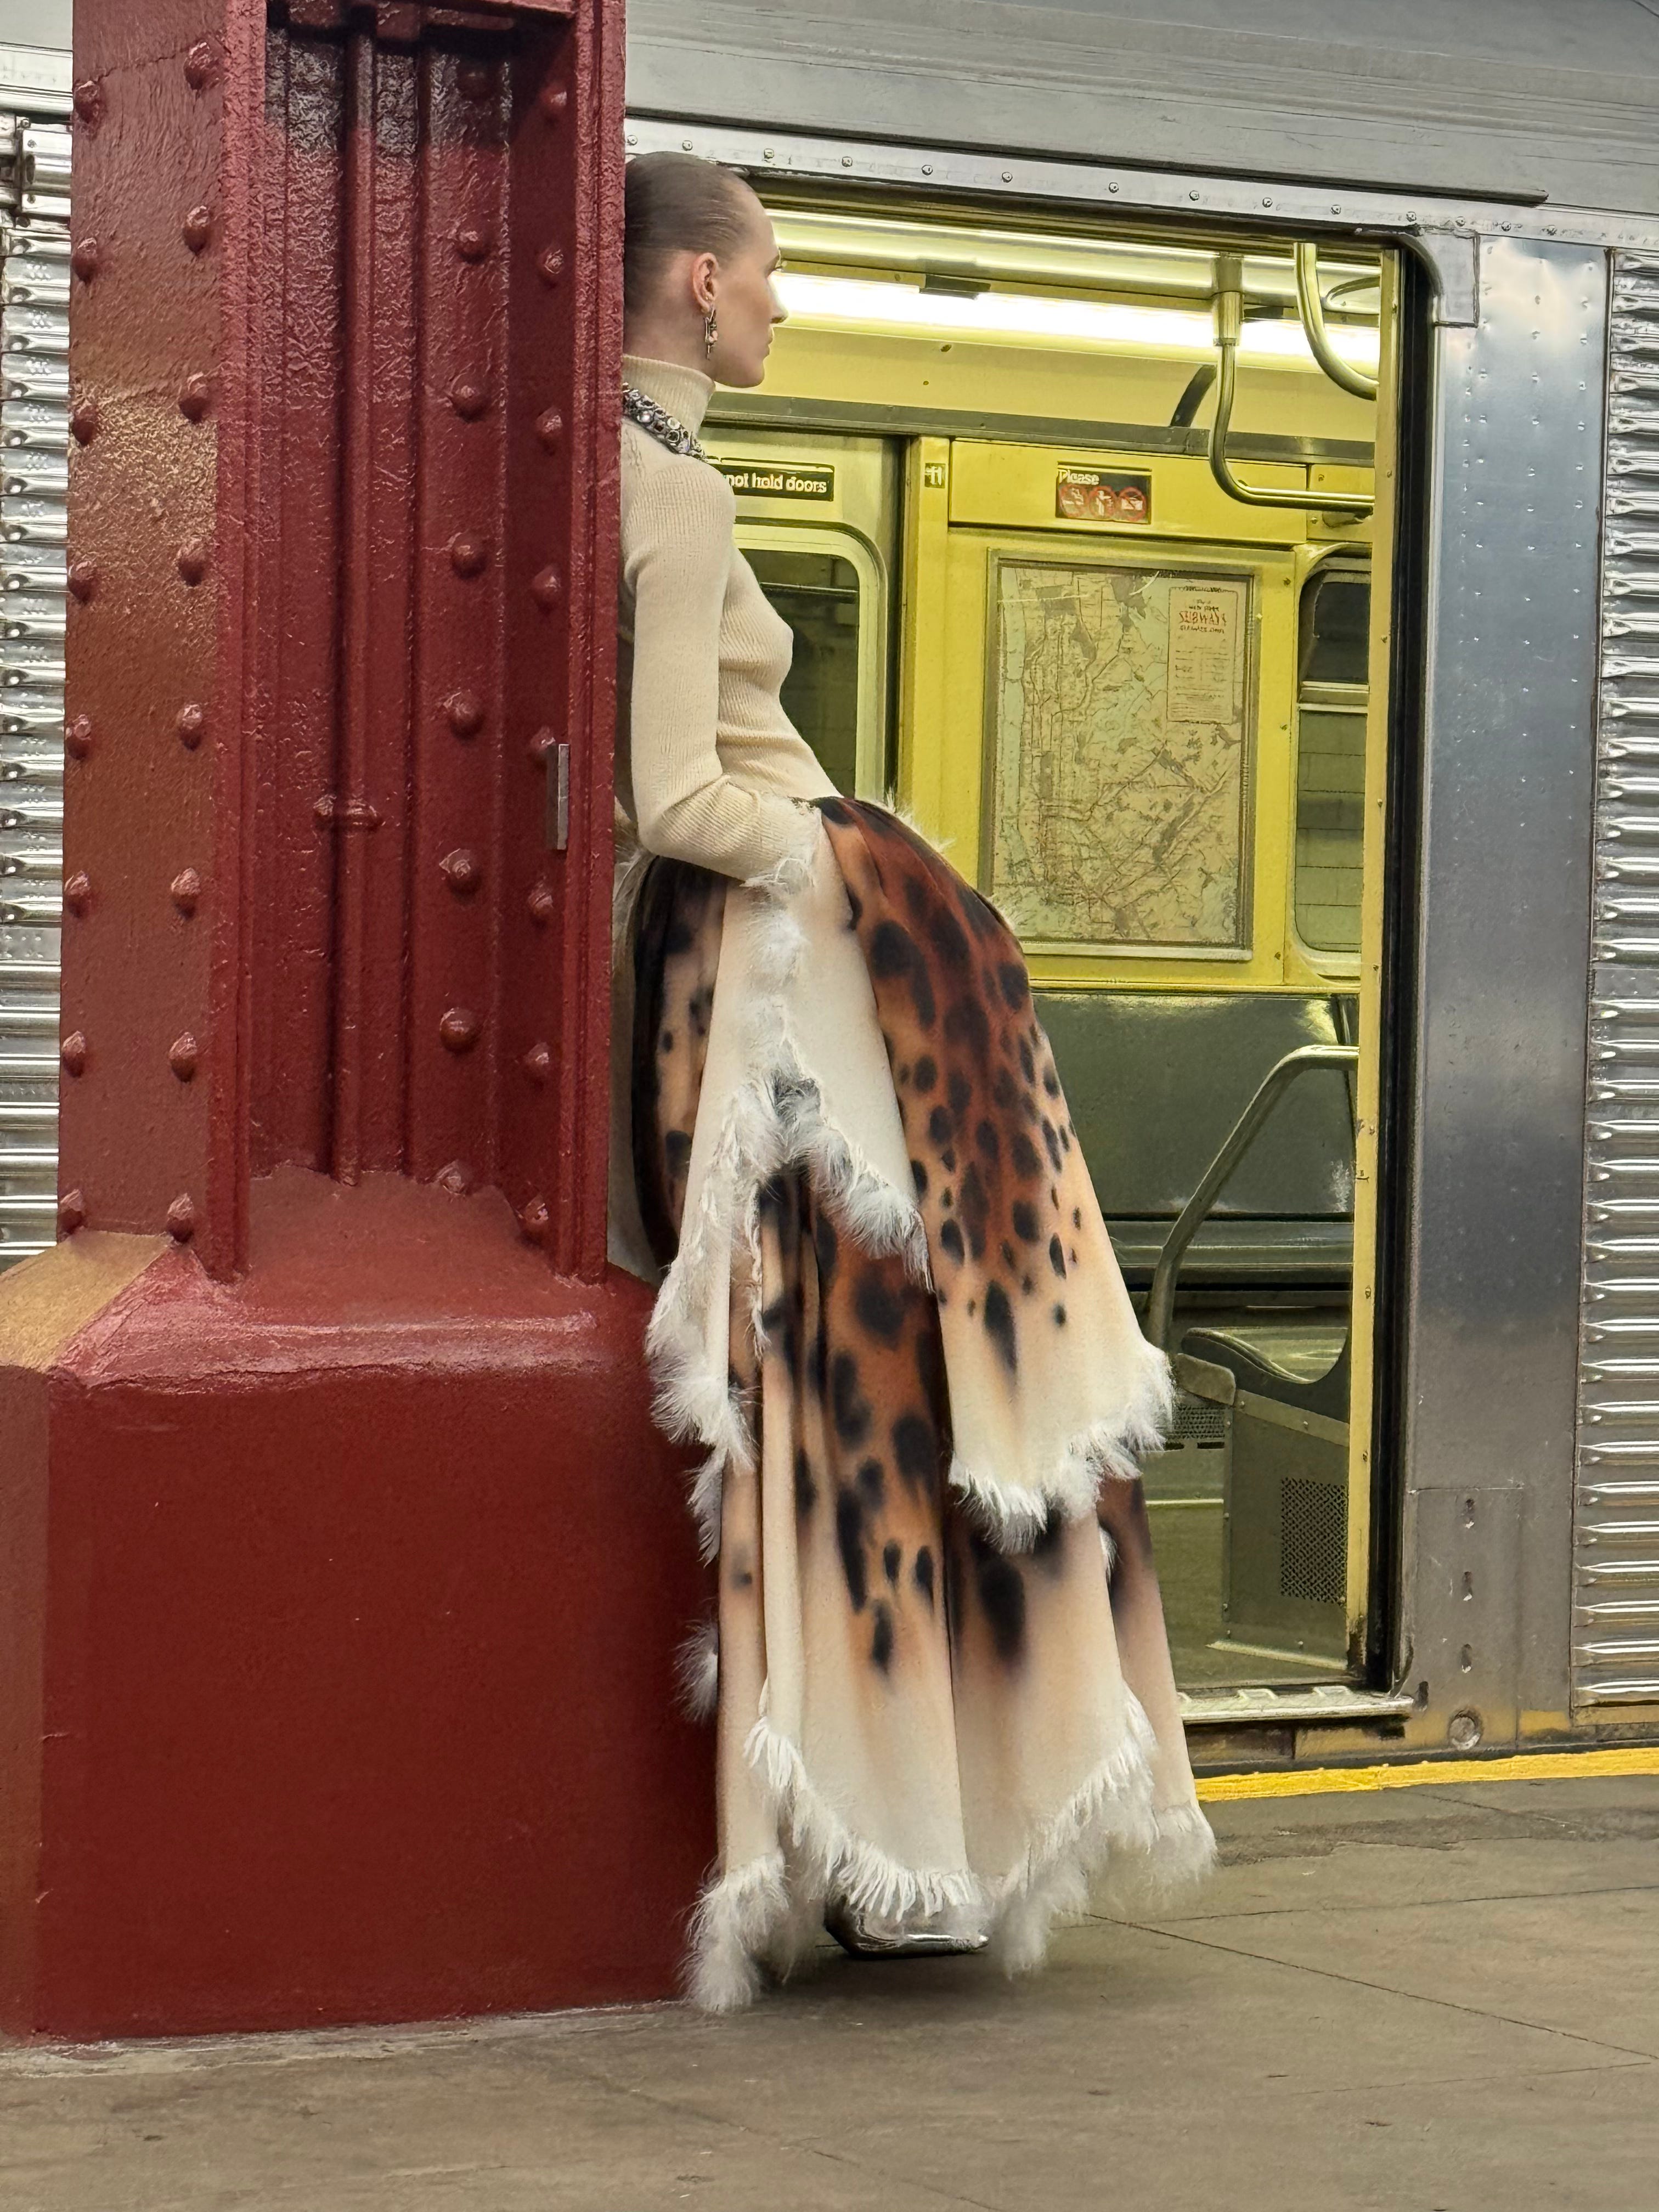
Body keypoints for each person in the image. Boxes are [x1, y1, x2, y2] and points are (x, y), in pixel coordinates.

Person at [611, 150, 1213, 2012]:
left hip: (740, 1008)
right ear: (697, 284)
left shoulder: (623, 463)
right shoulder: (674, 486)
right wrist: (861, 860)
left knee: (824, 1401)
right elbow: (676, 796)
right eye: (769, 270)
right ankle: (908, 1830)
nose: (782, 301)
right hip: (778, 1001)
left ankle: (881, 1824)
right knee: (892, 1379)